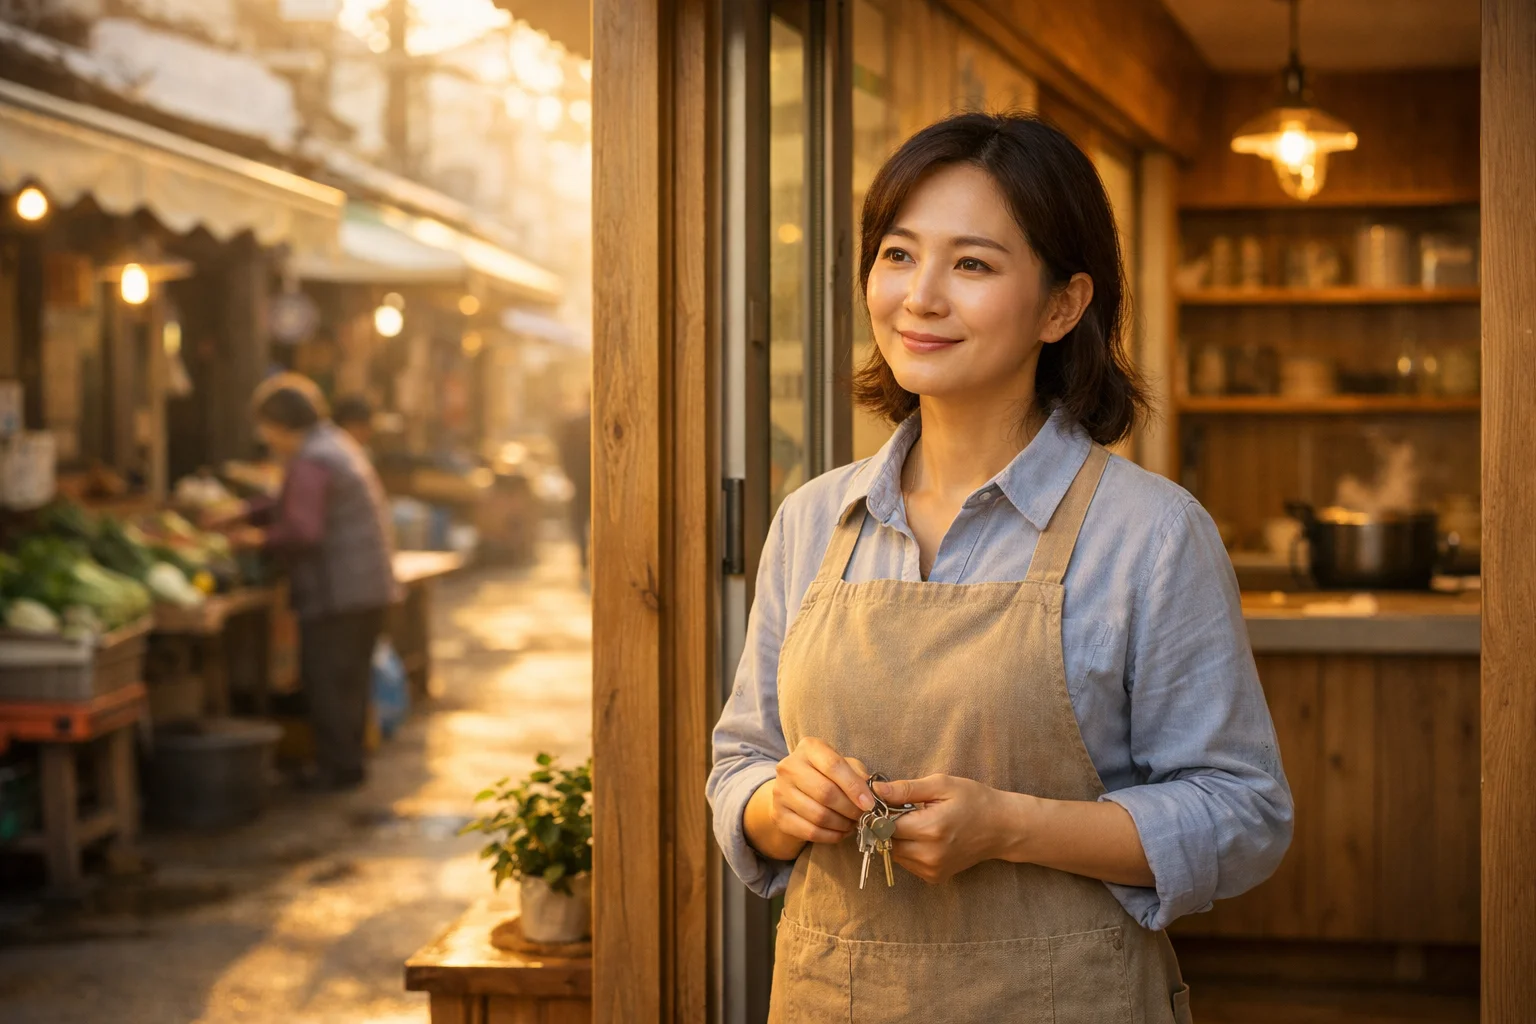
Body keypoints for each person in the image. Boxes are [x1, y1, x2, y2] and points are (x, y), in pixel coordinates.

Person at [707, 113, 1292, 1022]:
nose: (920, 298)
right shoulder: (814, 519)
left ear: (1063, 305)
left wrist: (1014, 827)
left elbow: (1246, 813)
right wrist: (778, 807)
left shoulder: (1150, 533)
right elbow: (741, 760)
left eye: (972, 265)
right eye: (898, 255)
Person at [225, 374, 399, 791]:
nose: (265, 437)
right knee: (350, 681)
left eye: (265, 427)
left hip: (339, 592)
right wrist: (247, 512)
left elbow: (302, 529)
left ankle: (335, 770)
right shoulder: (333, 444)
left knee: (327, 680)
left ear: (280, 424)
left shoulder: (311, 458)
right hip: (368, 588)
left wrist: (254, 537)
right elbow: (293, 502)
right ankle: (348, 764)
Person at [556, 396, 592, 578]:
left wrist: (568, 474)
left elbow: (564, 451)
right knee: (597, 520)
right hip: (598, 482)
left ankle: (584, 559)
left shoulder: (574, 423)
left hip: (579, 479)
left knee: (580, 520)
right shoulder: (603, 420)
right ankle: (594, 556)